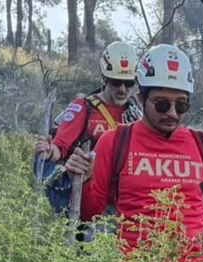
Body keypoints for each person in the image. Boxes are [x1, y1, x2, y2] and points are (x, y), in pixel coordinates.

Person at [64, 44, 203, 262]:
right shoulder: (115, 141)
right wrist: (86, 180)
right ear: (140, 98)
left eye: (181, 105)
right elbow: (89, 216)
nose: (172, 113)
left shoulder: (201, 143)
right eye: (162, 104)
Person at [34, 40, 144, 214]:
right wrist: (49, 151)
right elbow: (60, 146)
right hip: (90, 198)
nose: (123, 89)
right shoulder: (84, 108)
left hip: (124, 200)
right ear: (104, 79)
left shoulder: (136, 114)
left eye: (129, 83)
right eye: (116, 82)